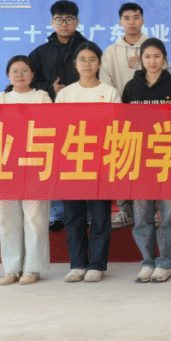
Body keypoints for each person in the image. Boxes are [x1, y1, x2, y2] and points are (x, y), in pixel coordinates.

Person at [121, 38, 171, 283]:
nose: (152, 61)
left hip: (169, 160)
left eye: (157, 56)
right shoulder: (131, 87)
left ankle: (165, 262)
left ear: (164, 59)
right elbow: (124, 124)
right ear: (141, 59)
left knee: (169, 216)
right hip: (141, 161)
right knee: (142, 216)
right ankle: (147, 261)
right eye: (147, 57)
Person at [28, 0, 93, 231]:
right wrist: (50, 89)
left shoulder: (89, 49)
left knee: (82, 163)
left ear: (77, 21)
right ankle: (56, 213)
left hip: (83, 116)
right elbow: (29, 80)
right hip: (51, 117)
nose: (64, 23)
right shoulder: (40, 52)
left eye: (69, 19)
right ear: (52, 22)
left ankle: (85, 213)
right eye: (59, 19)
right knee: (53, 164)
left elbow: (99, 77)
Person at [56, 43, 117, 283]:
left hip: (100, 161)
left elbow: (115, 126)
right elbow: (58, 127)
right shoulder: (65, 94)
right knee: (73, 216)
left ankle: (97, 264)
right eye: (82, 59)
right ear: (75, 64)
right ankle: (78, 264)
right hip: (71, 161)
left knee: (100, 215)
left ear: (99, 63)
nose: (87, 64)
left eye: (92, 59)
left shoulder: (110, 92)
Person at [0, 56, 52, 285]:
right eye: (14, 71)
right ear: (8, 75)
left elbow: (50, 125)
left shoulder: (41, 97)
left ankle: (33, 267)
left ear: (32, 74)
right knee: (7, 217)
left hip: (35, 163)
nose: (19, 75)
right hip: (5, 164)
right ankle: (11, 268)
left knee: (35, 217)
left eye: (24, 70)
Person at [100, 2, 153, 231]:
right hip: (120, 118)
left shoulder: (153, 47)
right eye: (127, 18)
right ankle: (126, 211)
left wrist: (140, 64)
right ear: (120, 22)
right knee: (122, 164)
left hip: (149, 117)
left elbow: (162, 78)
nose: (132, 22)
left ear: (143, 20)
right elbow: (105, 84)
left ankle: (151, 211)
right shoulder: (111, 51)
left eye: (136, 17)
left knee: (148, 165)